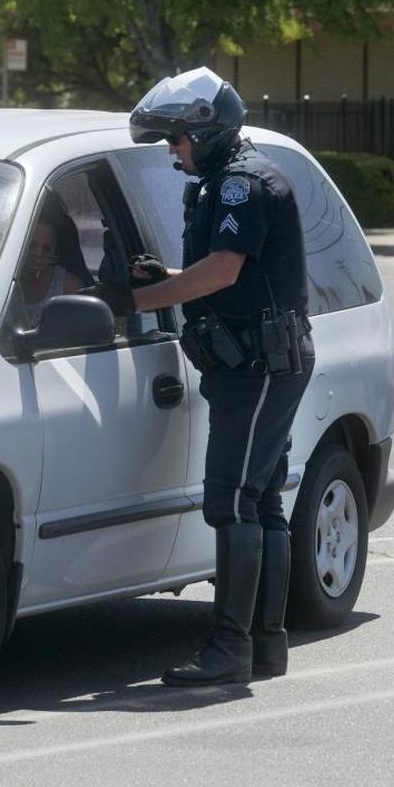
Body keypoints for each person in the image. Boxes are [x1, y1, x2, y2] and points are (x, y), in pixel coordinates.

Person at [84, 67, 314, 687]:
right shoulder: (217, 183)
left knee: (232, 500)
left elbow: (222, 272)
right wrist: (162, 275)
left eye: (177, 139)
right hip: (254, 360)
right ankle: (265, 645)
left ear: (207, 133)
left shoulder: (242, 183)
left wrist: (141, 300)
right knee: (261, 500)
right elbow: (228, 273)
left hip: (259, 364)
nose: (170, 149)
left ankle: (229, 648)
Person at [20, 219, 86, 326]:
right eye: (32, 245)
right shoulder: (0, 278)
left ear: (56, 251)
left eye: (47, 248)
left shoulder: (69, 287)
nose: (38, 254)